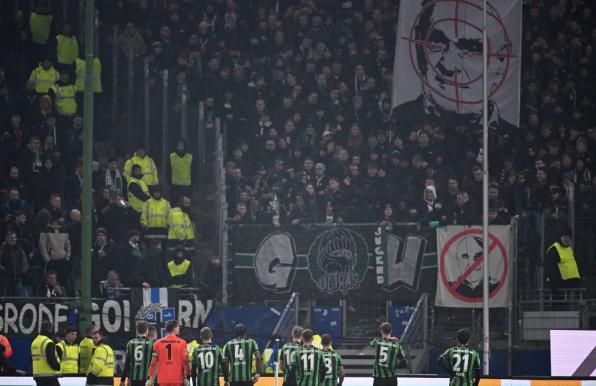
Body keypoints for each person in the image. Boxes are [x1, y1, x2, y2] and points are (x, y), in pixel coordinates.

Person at [147, 320, 190, 386]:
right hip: (177, 380)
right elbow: (185, 361)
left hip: (162, 380)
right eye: (178, 327)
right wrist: (187, 375)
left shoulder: (157, 343)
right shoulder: (182, 343)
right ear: (174, 328)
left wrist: (150, 378)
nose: (179, 328)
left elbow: (153, 363)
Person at [546, 228, 581, 292]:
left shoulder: (569, 249)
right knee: (560, 301)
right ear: (560, 238)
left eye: (568, 237)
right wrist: (553, 283)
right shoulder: (554, 249)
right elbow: (550, 267)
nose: (567, 239)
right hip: (561, 285)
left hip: (572, 284)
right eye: (564, 237)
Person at [121, 321, 154, 386]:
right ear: (147, 330)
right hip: (146, 379)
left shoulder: (130, 343)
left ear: (137, 330)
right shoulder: (152, 344)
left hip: (134, 379)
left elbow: (127, 364)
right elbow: (153, 363)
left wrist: (123, 380)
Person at [31, 320, 61, 386]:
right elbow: (51, 359)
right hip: (49, 375)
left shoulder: (35, 341)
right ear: (50, 329)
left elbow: (31, 359)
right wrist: (58, 366)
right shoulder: (48, 342)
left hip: (37, 375)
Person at [0, 230, 29, 296]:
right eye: (11, 237)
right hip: (6, 279)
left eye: (14, 237)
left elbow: (25, 263)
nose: (13, 239)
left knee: (17, 299)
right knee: (6, 299)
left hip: (18, 279)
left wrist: (22, 272)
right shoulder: (3, 249)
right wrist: (3, 270)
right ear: (7, 239)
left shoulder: (20, 249)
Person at [167, 139, 194, 204]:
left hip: (186, 186)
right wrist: (169, 183)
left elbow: (194, 171)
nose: (180, 147)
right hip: (174, 185)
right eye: (178, 146)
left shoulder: (190, 157)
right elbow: (168, 171)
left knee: (186, 205)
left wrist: (193, 185)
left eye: (182, 145)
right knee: (174, 204)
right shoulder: (171, 156)